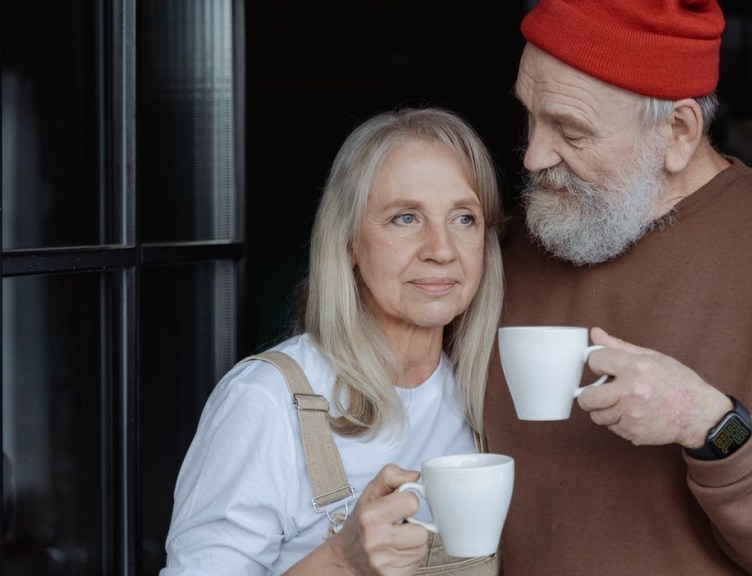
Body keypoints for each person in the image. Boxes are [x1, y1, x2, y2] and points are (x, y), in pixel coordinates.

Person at [483, 1, 752, 575]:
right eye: (530, 116)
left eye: (571, 130)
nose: (532, 156)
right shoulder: (510, 240)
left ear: (677, 132)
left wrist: (707, 422)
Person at [162, 107, 506, 576]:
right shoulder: (268, 400)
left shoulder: (485, 399)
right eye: (405, 218)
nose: (441, 249)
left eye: (464, 218)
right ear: (347, 244)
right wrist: (342, 561)